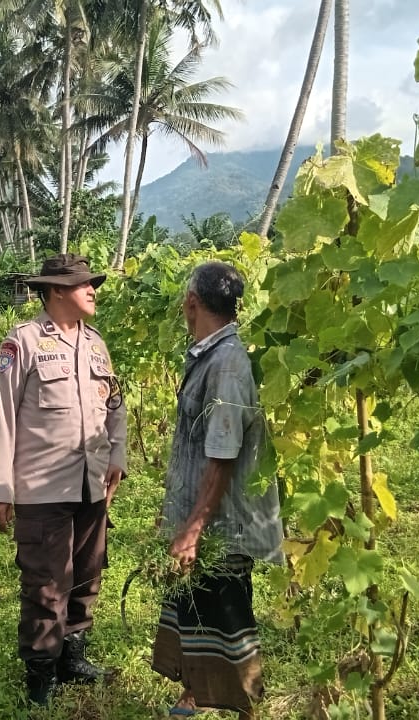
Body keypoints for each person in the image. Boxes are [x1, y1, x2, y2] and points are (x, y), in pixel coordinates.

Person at [0, 253, 128, 706]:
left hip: (91, 483)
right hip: (43, 485)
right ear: (57, 292)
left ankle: (73, 656)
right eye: (85, 284)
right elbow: (2, 418)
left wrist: (117, 455)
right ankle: (41, 672)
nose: (93, 290)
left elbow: (115, 405)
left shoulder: (96, 344)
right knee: (46, 582)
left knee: (88, 573)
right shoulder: (22, 343)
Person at [152, 261, 283, 719]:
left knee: (228, 615)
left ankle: (247, 708)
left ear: (192, 302)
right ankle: (191, 695)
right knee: (193, 606)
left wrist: (193, 529)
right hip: (198, 516)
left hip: (221, 526)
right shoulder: (209, 355)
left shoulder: (227, 364)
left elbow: (222, 455)